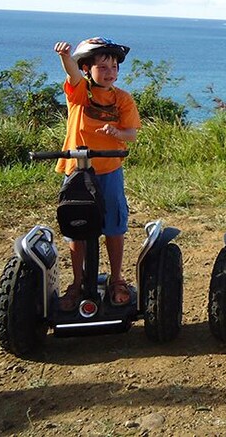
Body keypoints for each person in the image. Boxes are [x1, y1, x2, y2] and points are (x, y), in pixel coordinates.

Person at [54, 37, 141, 311]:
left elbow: (132, 134)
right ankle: (77, 282)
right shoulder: (81, 92)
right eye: (102, 67)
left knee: (114, 225)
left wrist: (118, 133)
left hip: (109, 169)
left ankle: (117, 279)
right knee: (76, 227)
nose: (110, 72)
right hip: (78, 170)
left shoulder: (122, 99)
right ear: (87, 69)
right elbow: (72, 74)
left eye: (114, 67)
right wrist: (66, 57)